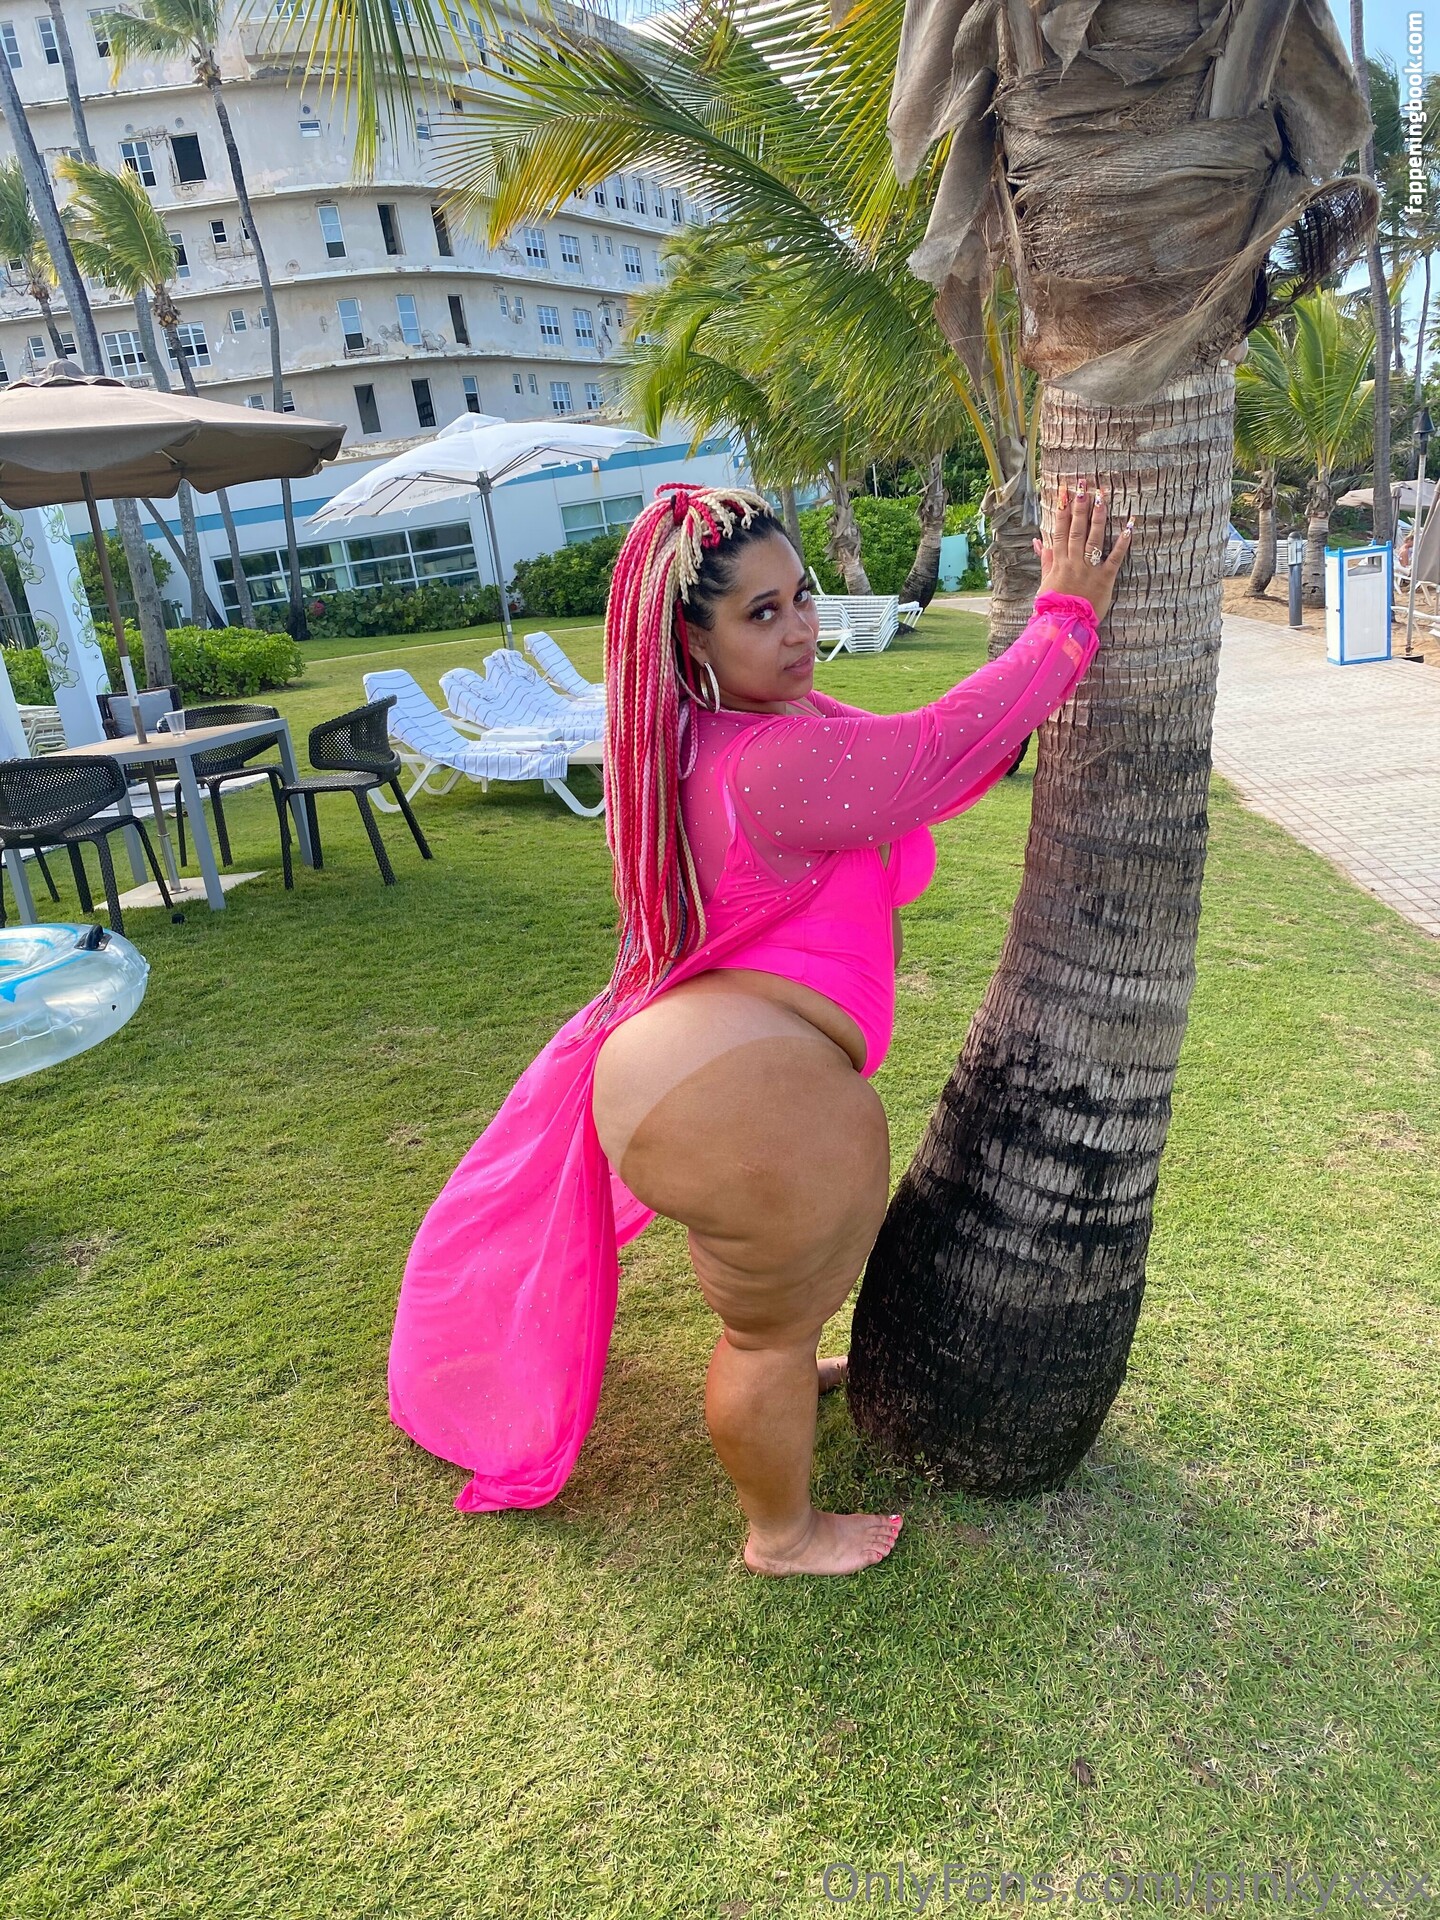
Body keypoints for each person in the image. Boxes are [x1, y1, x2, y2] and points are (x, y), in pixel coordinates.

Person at [389, 478, 1133, 1575]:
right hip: (722, 1084)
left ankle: (787, 1381)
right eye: (762, 613)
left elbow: (920, 753)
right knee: (765, 1331)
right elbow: (935, 749)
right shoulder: (774, 762)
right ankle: (782, 1535)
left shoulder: (722, 731)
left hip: (706, 1071)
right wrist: (1064, 617)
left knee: (779, 1302)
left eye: (803, 596)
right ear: (694, 639)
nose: (799, 630)